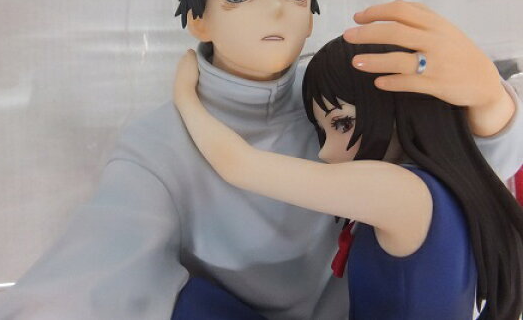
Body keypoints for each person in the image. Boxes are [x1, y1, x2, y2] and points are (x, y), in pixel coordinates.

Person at [0, 0, 523, 319]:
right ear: (198, 19)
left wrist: (489, 101)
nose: (276, 10)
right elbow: (104, 252)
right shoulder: (158, 144)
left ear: (313, 12)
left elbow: (457, 176)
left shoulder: (337, 94)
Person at [172, 36, 523, 319]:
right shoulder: (448, 187)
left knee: (186, 301)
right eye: (324, 131)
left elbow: (240, 165)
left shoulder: (402, 192)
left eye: (342, 123)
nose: (326, 152)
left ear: (399, 106)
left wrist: (185, 98)